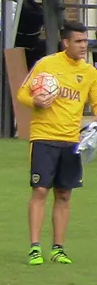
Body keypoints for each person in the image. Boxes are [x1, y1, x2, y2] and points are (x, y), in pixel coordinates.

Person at [17, 21, 97, 265]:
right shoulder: (46, 64)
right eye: (79, 41)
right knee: (40, 190)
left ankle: (58, 248)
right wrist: (36, 102)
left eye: (86, 41)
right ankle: (34, 247)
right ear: (66, 42)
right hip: (44, 137)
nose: (84, 46)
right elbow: (22, 93)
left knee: (64, 194)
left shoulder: (90, 73)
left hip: (72, 141)